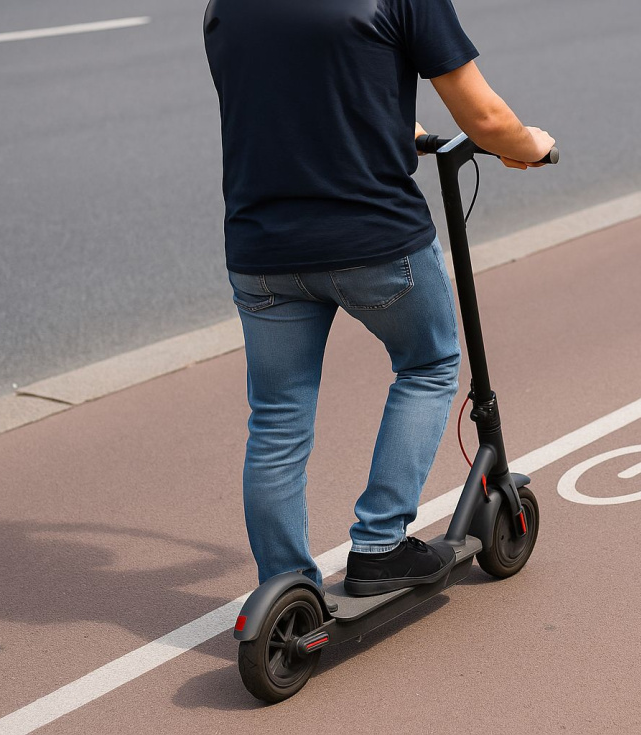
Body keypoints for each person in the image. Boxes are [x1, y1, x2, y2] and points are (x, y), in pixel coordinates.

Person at [203, 0, 554, 596]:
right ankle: (380, 543)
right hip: (373, 242)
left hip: (263, 250)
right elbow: (487, 119)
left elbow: (286, 94)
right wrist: (531, 145)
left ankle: (286, 591)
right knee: (429, 364)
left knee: (278, 419)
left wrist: (397, 125)